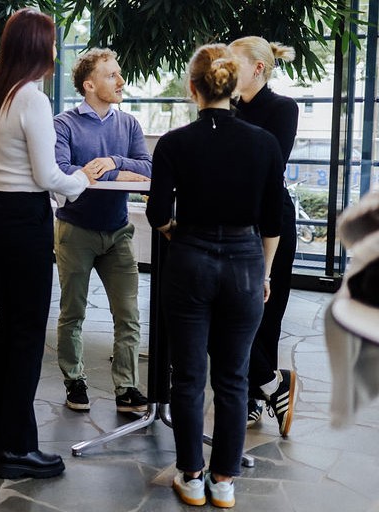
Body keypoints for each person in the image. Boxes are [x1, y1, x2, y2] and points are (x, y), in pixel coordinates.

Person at [147, 44, 284, 508]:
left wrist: (179, 235)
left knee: (188, 377)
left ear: (193, 88)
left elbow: (158, 214)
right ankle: (223, 481)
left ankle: (191, 476)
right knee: (233, 378)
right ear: (233, 87)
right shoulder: (263, 143)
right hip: (245, 262)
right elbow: (273, 220)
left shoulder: (174, 144)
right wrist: (264, 273)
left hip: (189, 260)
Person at [0, 8, 97, 480]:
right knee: (25, 335)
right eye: (51, 41)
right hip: (24, 219)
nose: (55, 50)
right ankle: (16, 449)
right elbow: (47, 176)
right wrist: (82, 180)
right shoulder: (32, 98)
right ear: (38, 47)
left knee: (8, 329)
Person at [52, 48, 152, 413]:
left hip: (118, 231)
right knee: (72, 314)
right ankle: (74, 381)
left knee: (128, 316)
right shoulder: (63, 124)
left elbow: (148, 169)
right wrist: (119, 173)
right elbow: (62, 171)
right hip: (75, 231)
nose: (121, 81)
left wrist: (112, 163)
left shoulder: (129, 125)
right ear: (89, 85)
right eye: (112, 75)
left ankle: (126, 388)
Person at [230, 36, 300, 437]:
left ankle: (254, 395)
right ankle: (273, 384)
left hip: (271, 220)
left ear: (258, 68)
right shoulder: (227, 109)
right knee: (232, 311)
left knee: (266, 314)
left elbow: (272, 164)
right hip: (232, 219)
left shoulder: (283, 108)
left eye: (233, 61)